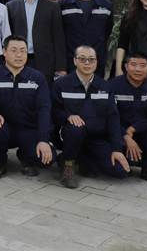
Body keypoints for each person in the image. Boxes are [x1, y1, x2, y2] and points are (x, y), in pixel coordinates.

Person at [51, 45, 130, 188]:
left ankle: (83, 158)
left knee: (121, 171)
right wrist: (68, 116)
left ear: (96, 62)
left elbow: (113, 118)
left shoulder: (105, 87)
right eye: (82, 59)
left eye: (91, 59)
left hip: (96, 138)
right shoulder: (61, 85)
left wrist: (117, 149)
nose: (87, 63)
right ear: (75, 61)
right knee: (75, 128)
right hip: (71, 135)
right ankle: (68, 164)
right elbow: (53, 112)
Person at [0, 35, 56, 179]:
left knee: (47, 160)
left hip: (29, 130)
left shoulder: (37, 78)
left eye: (23, 51)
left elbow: (44, 109)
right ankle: (0, 162)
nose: (19, 55)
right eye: (14, 50)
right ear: (4, 52)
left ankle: (26, 157)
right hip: (5, 129)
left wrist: (43, 139)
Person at [108, 51, 147, 187]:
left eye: (142, 65)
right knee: (125, 166)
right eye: (133, 64)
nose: (138, 69)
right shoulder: (113, 86)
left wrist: (133, 129)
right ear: (126, 66)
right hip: (118, 134)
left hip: (143, 133)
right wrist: (125, 135)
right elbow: (109, 117)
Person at [6, 0, 67, 81]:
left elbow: (59, 38)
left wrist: (61, 67)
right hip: (18, 60)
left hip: (45, 61)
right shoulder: (11, 6)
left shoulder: (52, 6)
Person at [59, 0, 115, 77]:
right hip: (71, 62)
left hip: (97, 61)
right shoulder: (63, 5)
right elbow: (59, 34)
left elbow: (106, 31)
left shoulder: (105, 6)